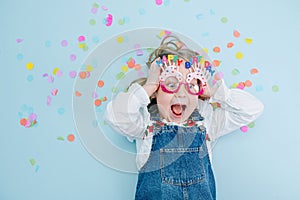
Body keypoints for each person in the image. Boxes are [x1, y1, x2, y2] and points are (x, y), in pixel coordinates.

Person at [104, 35, 264, 200]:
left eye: (191, 86)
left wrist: (214, 92)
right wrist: (149, 86)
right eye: (171, 84)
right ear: (156, 93)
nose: (181, 93)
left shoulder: (208, 122)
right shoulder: (145, 125)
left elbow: (252, 109)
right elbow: (115, 117)